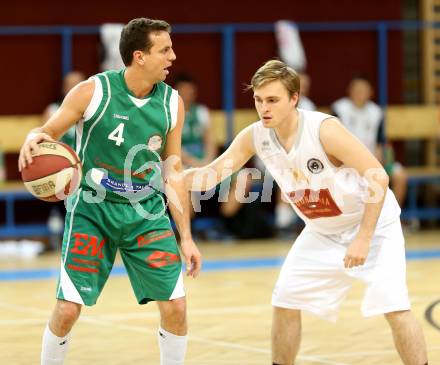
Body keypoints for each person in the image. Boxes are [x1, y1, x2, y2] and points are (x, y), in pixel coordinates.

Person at [184, 60, 428, 365]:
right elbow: (213, 174)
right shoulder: (255, 135)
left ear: (294, 99)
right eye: (258, 100)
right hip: (323, 231)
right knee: (285, 300)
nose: (264, 108)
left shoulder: (324, 129)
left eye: (273, 100)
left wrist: (364, 237)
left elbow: (378, 176)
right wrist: (177, 178)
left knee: (394, 306)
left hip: (373, 224)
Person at [18, 18, 201, 365]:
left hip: (145, 212)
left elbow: (173, 173)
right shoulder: (93, 91)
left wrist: (186, 237)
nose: (173, 56)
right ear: (139, 56)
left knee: (176, 306)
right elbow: (48, 131)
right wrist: (33, 136)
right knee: (68, 309)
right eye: (165, 50)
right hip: (92, 210)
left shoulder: (172, 103)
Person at [331, 75, 408, 207]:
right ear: (350, 90)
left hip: (373, 161)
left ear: (370, 92)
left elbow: (381, 144)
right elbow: (333, 142)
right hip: (346, 164)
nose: (360, 93)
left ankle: (392, 216)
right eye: (357, 89)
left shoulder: (376, 112)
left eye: (363, 90)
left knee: (400, 175)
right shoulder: (339, 108)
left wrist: (376, 166)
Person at [173, 73, 217, 167]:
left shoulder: (202, 111)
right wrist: (195, 164)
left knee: (240, 175)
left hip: (203, 159)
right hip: (181, 162)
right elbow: (172, 148)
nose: (186, 93)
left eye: (189, 89)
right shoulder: (170, 114)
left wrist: (207, 162)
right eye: (183, 89)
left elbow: (210, 142)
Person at [42, 71, 86, 148]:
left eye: (79, 85)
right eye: (71, 85)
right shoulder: (53, 109)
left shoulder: (95, 110)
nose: (75, 89)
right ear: (64, 88)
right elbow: (44, 137)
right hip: (63, 156)